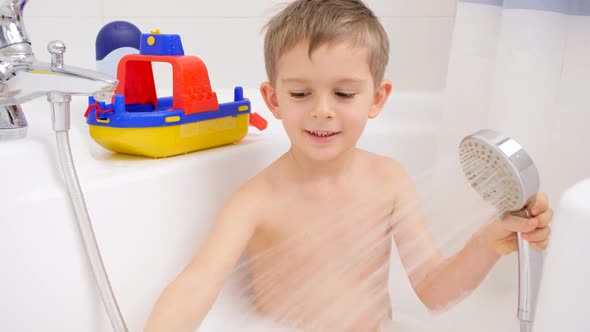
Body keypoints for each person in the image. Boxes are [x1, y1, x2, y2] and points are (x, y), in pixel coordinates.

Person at [144, 1, 553, 331]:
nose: (322, 111)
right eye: (301, 93)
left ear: (376, 98)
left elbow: (433, 290)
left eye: (343, 93)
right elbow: (197, 283)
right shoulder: (257, 199)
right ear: (273, 100)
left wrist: (486, 243)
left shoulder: (389, 180)